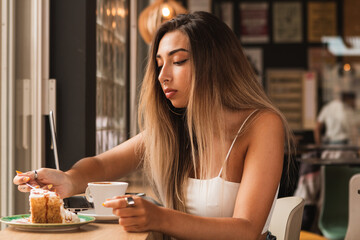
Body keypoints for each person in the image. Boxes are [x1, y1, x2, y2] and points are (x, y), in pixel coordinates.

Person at [14, 12, 294, 240]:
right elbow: (101, 165)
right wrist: (69, 180)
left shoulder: (261, 125)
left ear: (216, 64)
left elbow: (245, 229)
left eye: (179, 61)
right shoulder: (174, 128)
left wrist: (159, 217)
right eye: (159, 64)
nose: (163, 76)